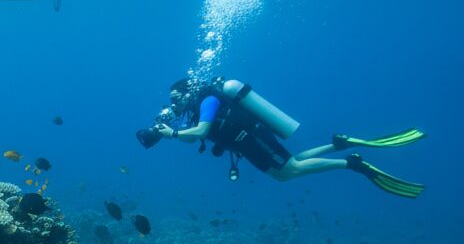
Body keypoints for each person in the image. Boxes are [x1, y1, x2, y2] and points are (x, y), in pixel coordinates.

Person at [141, 78, 426, 197]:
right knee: (288, 168)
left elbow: (201, 132)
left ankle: (351, 163)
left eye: (175, 99)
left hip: (251, 139)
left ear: (188, 91)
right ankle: (338, 144)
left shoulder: (207, 100)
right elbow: (193, 137)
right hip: (249, 142)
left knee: (289, 171)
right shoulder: (194, 109)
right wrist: (170, 133)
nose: (173, 106)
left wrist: (174, 133)